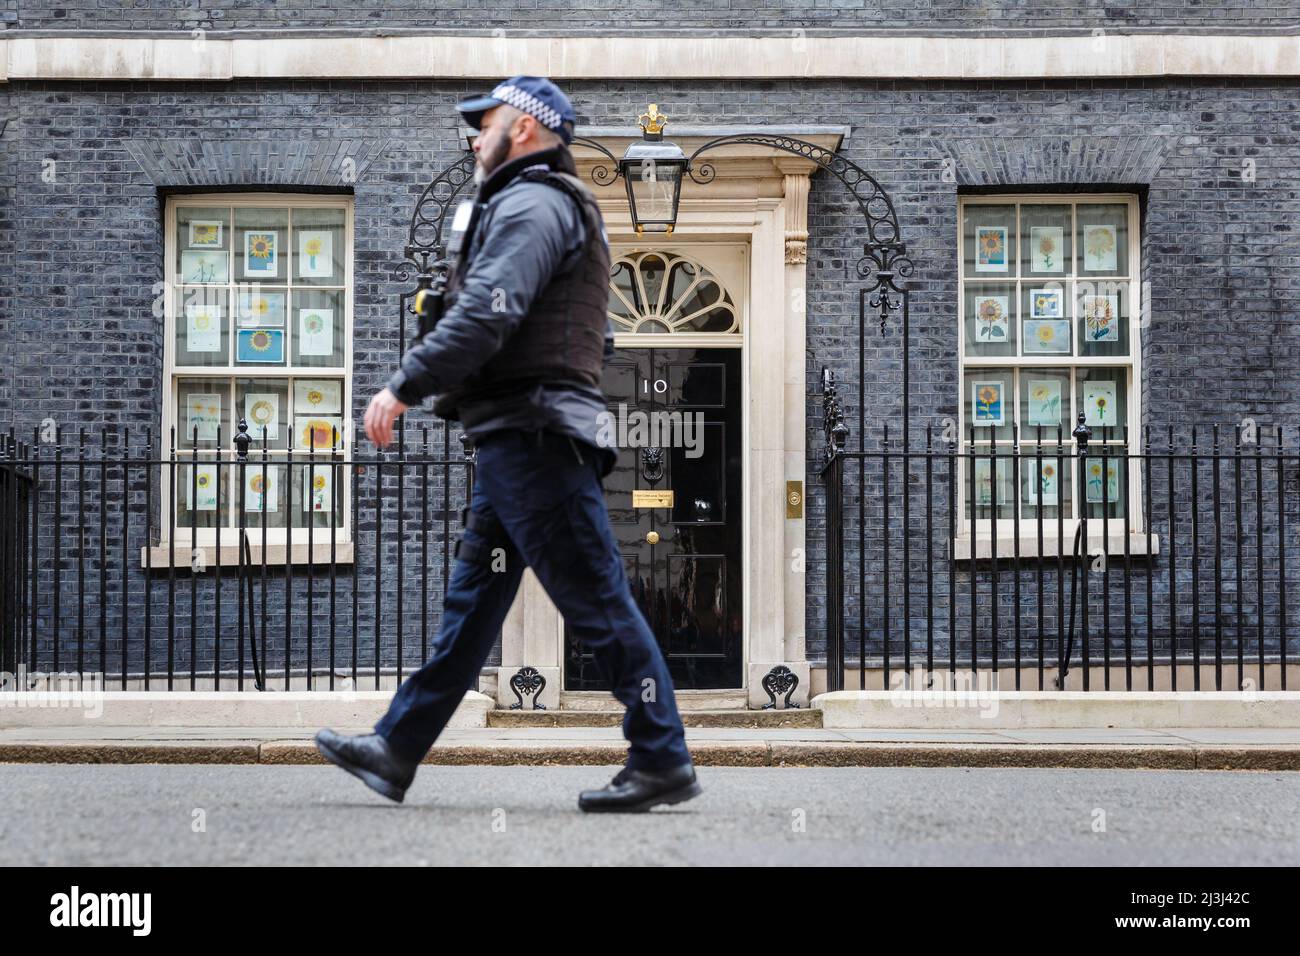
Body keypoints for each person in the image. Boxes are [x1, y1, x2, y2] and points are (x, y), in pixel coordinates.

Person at [314, 76, 700, 813]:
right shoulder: (529, 202)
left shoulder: (534, 204)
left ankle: (661, 756)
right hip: (513, 436)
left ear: (523, 127)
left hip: (536, 438)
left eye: (484, 122)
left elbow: (491, 315)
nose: (474, 136)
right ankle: (397, 748)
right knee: (472, 609)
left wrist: (403, 385)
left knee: (596, 597)